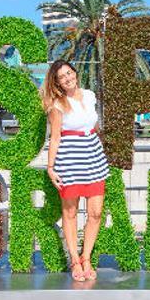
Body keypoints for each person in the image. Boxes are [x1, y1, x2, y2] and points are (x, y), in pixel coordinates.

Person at [41, 60, 109, 282]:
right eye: (62, 76)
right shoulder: (57, 105)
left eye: (69, 73)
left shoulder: (89, 96)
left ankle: (86, 257)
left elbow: (95, 125)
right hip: (70, 160)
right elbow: (55, 138)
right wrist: (51, 168)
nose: (68, 78)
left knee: (96, 213)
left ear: (75, 73)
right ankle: (74, 260)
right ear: (57, 82)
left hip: (94, 157)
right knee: (69, 213)